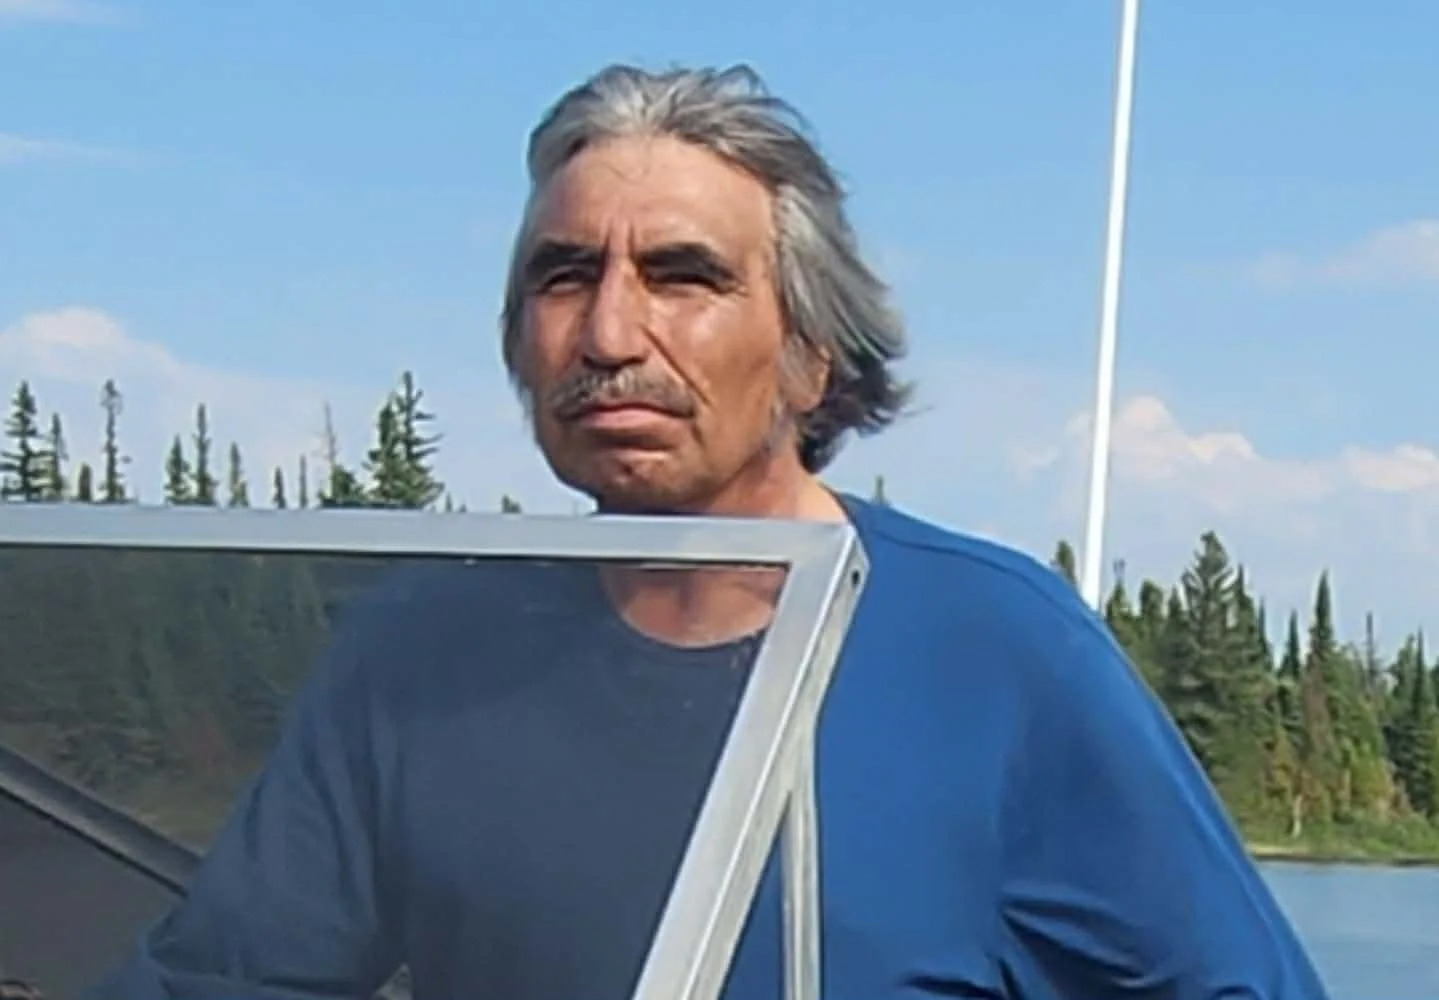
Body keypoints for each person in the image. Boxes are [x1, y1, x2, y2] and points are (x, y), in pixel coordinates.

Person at [87, 65, 1330, 999]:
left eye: (682, 276)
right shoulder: (420, 655)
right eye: (564, 276)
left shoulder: (997, 654)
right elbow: (232, 981)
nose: (611, 333)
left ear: (808, 355)